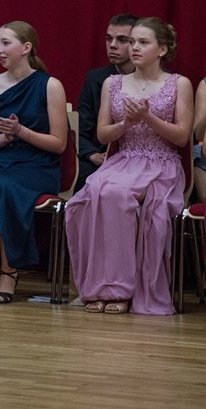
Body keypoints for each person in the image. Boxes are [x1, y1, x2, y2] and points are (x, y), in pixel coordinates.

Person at [67, 18, 192, 315]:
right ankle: (99, 287)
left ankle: (121, 289)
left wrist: (148, 119)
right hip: (124, 159)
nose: (134, 47)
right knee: (89, 195)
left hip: (162, 162)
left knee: (117, 195)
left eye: (143, 42)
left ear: (162, 49)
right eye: (132, 41)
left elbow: (182, 136)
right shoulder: (113, 84)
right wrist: (126, 123)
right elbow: (102, 135)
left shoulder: (179, 83)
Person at [0, 21, 68, 305]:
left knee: (6, 187)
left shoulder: (50, 85)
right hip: (0, 159)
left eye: (6, 43)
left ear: (26, 48)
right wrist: (6, 138)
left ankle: (9, 272)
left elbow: (59, 143)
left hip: (38, 165)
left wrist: (21, 131)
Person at [74, 14, 137, 189]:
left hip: (142, 157)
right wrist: (92, 154)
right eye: (109, 39)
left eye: (122, 40)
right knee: (82, 175)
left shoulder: (160, 81)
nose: (112, 45)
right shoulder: (96, 78)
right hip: (102, 154)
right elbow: (81, 128)